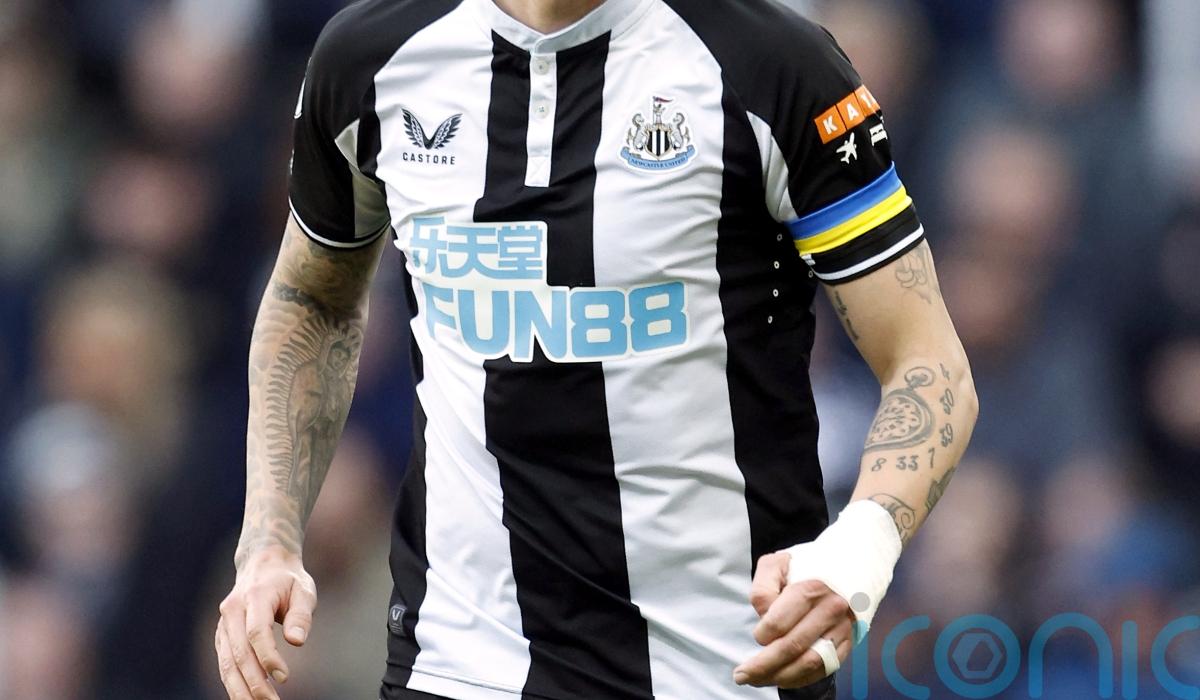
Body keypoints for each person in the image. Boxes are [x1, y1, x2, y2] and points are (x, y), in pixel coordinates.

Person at [215, 0, 979, 698]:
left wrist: (862, 546)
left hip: (725, 670)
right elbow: (313, 300)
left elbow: (927, 361)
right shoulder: (371, 58)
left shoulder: (774, 68)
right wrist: (270, 541)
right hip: (458, 665)